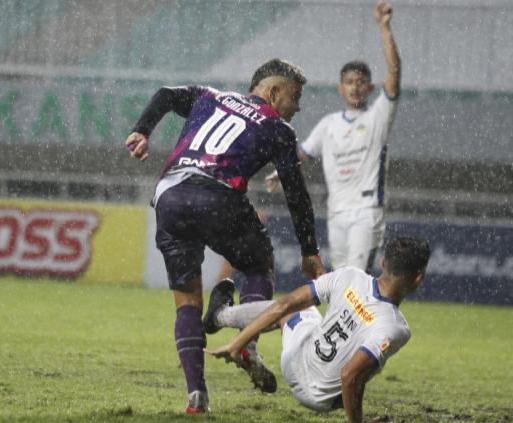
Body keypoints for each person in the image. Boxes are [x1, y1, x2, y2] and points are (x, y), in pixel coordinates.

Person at [124, 58, 326, 414]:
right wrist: (310, 250)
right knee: (260, 263)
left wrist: (143, 130)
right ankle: (247, 345)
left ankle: (196, 396)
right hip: (217, 195)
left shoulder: (208, 97)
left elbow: (167, 95)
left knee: (187, 301)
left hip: (171, 194)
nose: (298, 106)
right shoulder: (279, 129)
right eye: (295, 96)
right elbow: (296, 194)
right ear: (274, 92)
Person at [205, 236, 430, 423]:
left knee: (292, 310)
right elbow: (350, 376)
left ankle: (220, 316)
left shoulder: (349, 276)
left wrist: (237, 343)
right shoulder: (396, 327)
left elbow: (283, 305)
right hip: (322, 399)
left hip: (293, 363)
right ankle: (224, 323)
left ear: (382, 263)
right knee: (361, 365)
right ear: (419, 279)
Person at [266, 0, 401, 273]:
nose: (355, 87)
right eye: (350, 82)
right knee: (340, 279)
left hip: (367, 210)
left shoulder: (378, 117)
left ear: (370, 87)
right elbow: (301, 154)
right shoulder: (328, 125)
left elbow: (394, 74)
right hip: (336, 212)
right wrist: (280, 172)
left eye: (361, 82)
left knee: (356, 278)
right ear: (341, 88)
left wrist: (384, 28)